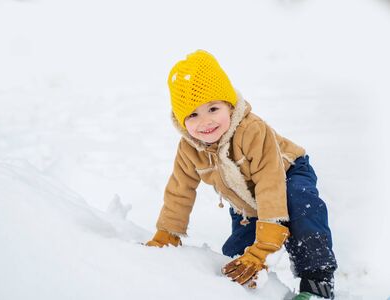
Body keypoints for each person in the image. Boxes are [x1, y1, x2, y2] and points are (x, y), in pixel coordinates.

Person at [145, 50, 338, 299]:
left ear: (229, 105)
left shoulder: (252, 131)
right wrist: (167, 234)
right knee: (237, 256)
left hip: (287, 173)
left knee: (299, 203)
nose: (205, 122)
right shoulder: (189, 149)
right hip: (244, 197)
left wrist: (266, 244)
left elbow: (270, 183)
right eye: (193, 114)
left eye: (212, 109)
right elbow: (179, 191)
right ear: (181, 122)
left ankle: (317, 281)